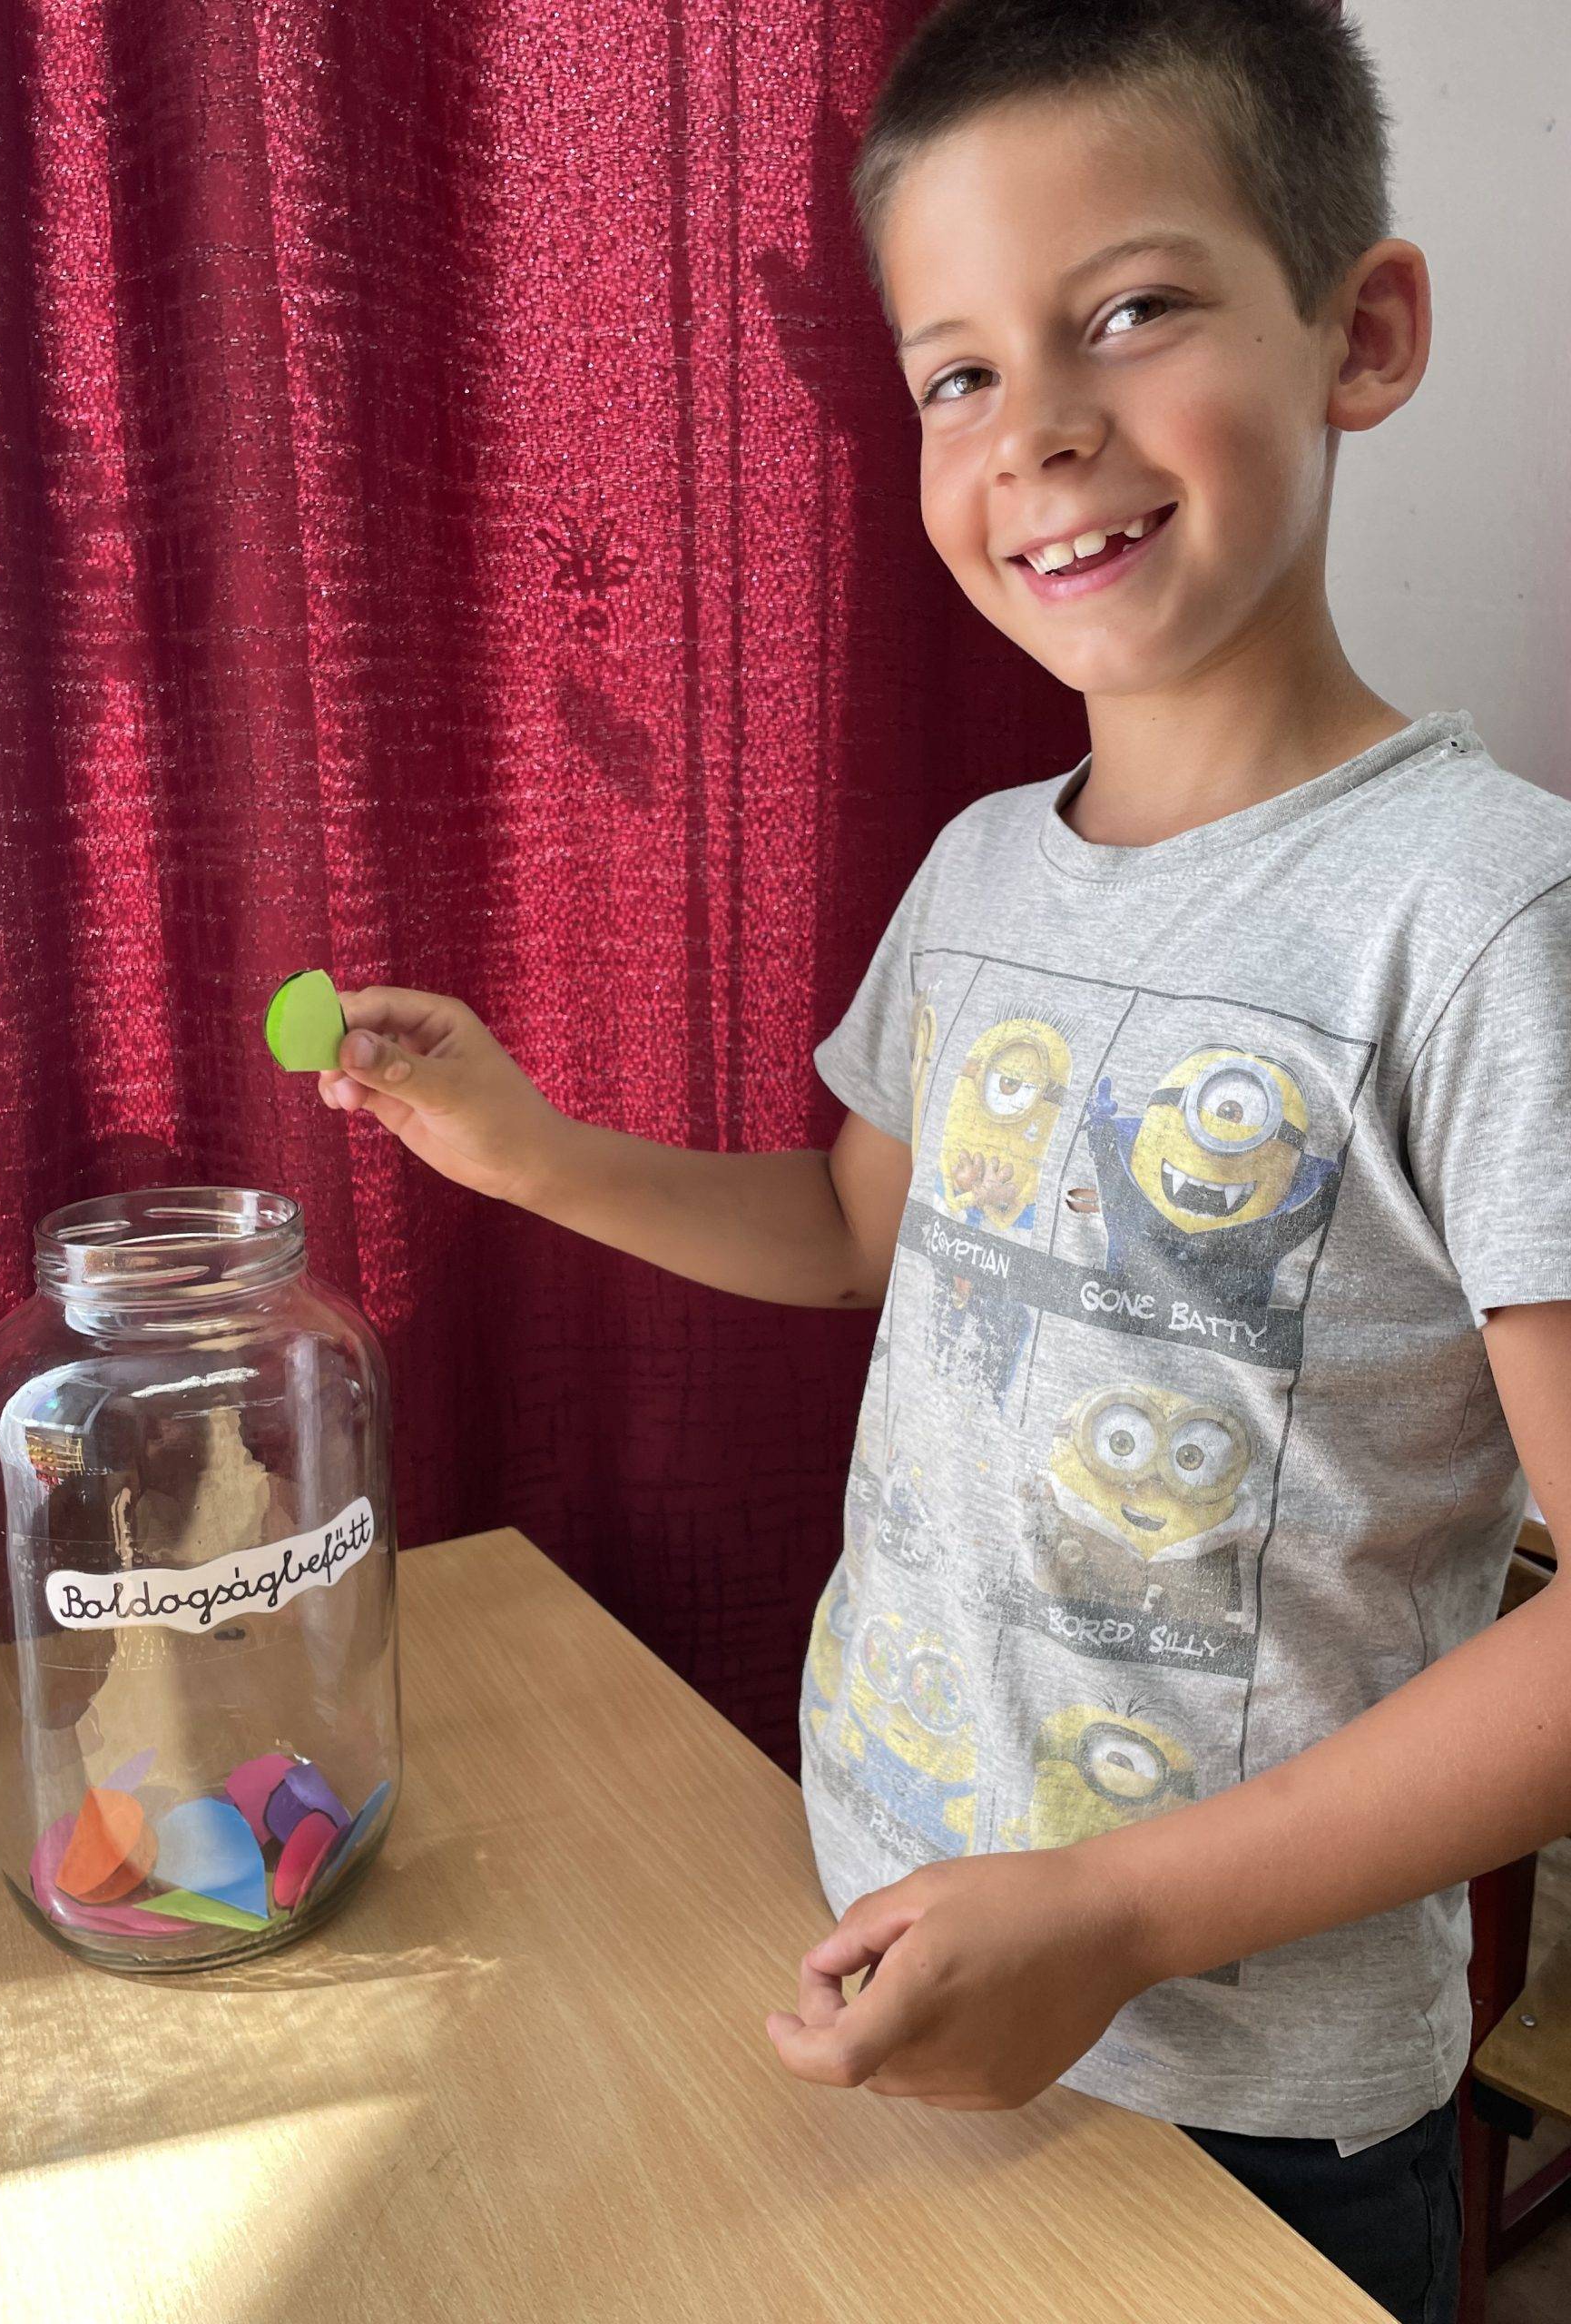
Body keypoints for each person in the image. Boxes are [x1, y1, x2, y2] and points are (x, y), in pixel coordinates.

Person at [313, 6, 1571, 2318]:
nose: (1043, 428)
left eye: (1135, 309)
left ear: (1364, 332)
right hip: (884, 1930)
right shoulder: (986, 866)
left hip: (1250, 2094)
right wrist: (531, 1154)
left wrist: (1116, 1911)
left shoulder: (1486, 913)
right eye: (959, 373)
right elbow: (857, 1231)